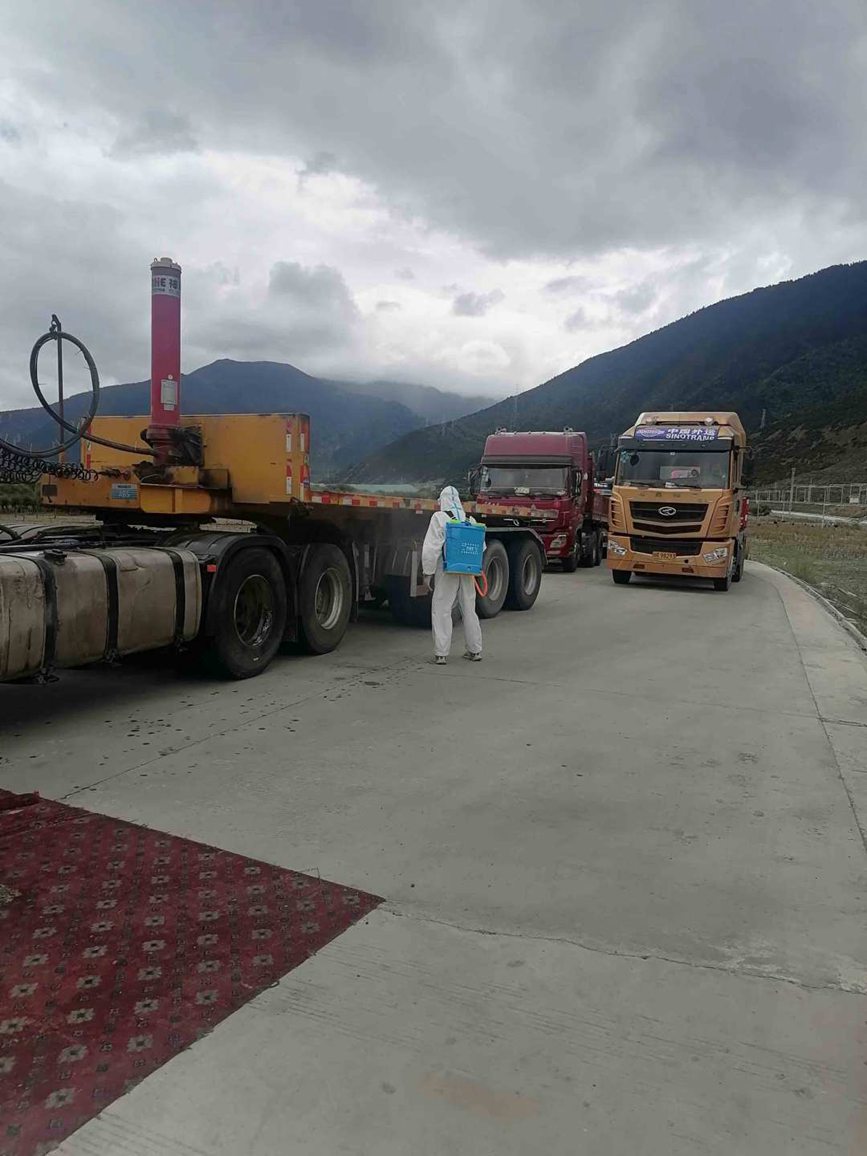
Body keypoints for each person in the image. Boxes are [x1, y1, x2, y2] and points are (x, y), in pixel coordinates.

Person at [421, 485, 483, 666]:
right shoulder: (470, 519)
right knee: (469, 609)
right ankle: (475, 650)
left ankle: (441, 654)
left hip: (447, 569)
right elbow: (481, 547)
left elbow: (431, 548)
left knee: (442, 608)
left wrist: (427, 573)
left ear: (443, 500)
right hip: (468, 570)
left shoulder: (439, 517)